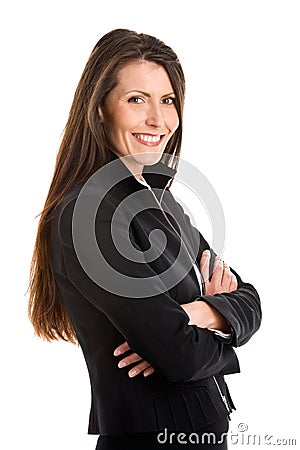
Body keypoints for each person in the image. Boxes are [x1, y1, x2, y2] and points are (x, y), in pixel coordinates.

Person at [27, 29, 262, 449]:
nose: (159, 120)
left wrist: (193, 314)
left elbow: (251, 300)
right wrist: (214, 317)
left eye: (167, 100)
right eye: (137, 99)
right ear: (100, 109)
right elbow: (179, 354)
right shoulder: (88, 215)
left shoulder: (161, 203)